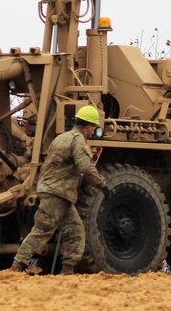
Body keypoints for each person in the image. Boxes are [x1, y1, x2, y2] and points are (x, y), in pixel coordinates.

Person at [11, 105, 109, 275]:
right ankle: (17, 266)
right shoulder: (78, 141)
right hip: (57, 193)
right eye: (94, 127)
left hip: (56, 193)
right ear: (89, 127)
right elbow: (86, 167)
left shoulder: (60, 138)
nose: (93, 131)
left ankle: (67, 270)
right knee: (43, 230)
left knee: (75, 229)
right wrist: (102, 186)